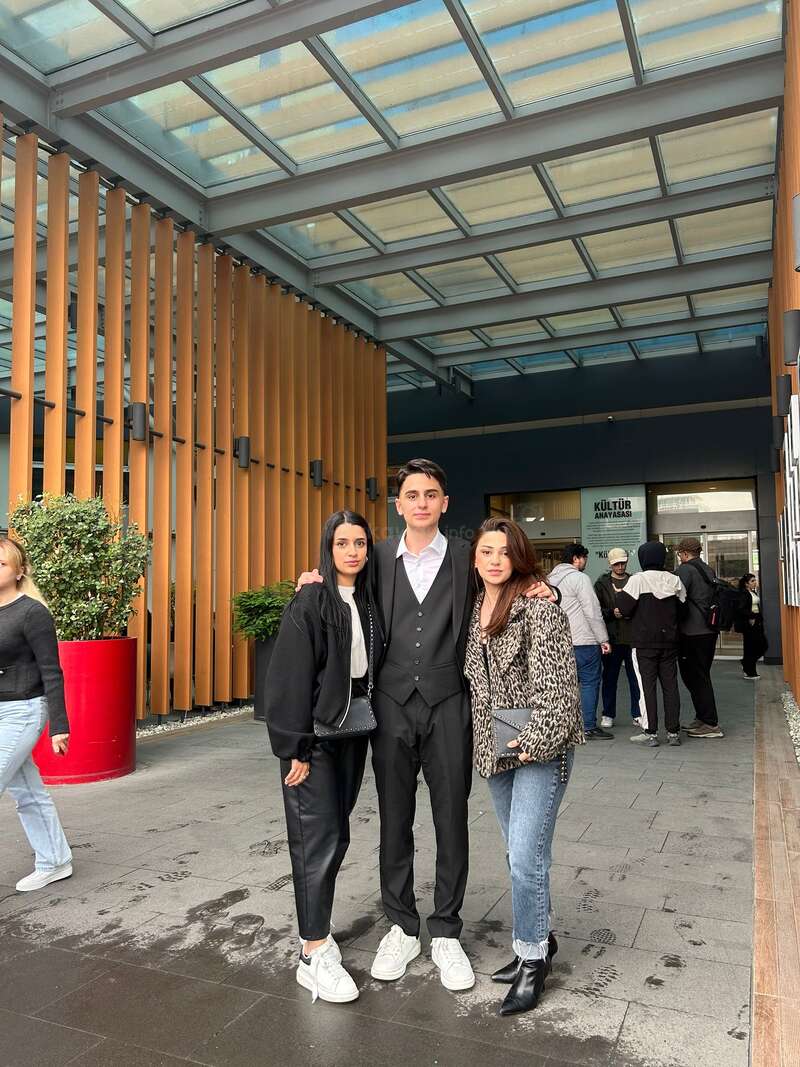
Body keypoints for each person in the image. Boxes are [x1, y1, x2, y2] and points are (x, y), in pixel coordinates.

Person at [297, 458, 557, 994]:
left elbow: (505, 573)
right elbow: (340, 580)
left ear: (444, 503)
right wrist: (312, 579)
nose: (421, 502)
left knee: (450, 817)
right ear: (398, 505)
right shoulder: (377, 558)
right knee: (394, 816)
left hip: (449, 703)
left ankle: (445, 929)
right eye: (411, 494)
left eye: (430, 493)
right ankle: (400, 924)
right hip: (389, 704)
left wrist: (539, 586)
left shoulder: (467, 557)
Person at [265, 510, 385, 1004]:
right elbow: (288, 676)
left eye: (359, 543)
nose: (352, 551)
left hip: (353, 730)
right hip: (313, 738)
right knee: (316, 839)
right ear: (327, 548)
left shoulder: (371, 601)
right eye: (342, 543)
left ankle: (318, 930)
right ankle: (312, 952)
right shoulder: (312, 599)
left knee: (336, 834)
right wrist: (294, 746)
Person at [464, 518, 583, 1016]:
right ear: (475, 558)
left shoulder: (539, 607)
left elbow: (559, 686)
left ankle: (532, 959)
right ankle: (541, 937)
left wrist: (533, 741)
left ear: (519, 558)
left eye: (504, 552)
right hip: (496, 746)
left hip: (540, 745)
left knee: (525, 856)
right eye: (486, 551)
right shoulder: (476, 607)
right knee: (521, 853)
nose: (495, 560)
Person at [0, 537, 72, 892]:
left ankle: (54, 861)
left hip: (24, 709)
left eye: (1, 564)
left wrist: (59, 725)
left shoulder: (32, 612)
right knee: (26, 790)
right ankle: (55, 861)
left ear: (19, 571)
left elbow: (51, 670)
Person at [615, 541, 686, 748]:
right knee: (671, 686)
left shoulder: (638, 580)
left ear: (643, 558)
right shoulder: (675, 580)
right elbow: (683, 611)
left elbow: (624, 609)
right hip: (670, 643)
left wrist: (618, 594)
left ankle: (651, 732)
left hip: (644, 643)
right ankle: (673, 732)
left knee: (647, 688)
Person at [548, 544, 612, 739]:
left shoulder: (549, 579)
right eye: (584, 558)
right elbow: (592, 611)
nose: (585, 562)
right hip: (583, 641)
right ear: (576, 559)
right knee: (589, 683)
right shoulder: (580, 578)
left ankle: (561, 726)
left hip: (557, 642)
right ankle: (588, 726)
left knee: (561, 685)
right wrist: (603, 639)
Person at [675, 537, 724, 739]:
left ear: (685, 554)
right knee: (701, 674)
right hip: (708, 631)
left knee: (696, 677)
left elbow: (676, 594)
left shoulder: (686, 570)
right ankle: (702, 718)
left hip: (692, 632)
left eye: (679, 554)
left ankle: (710, 723)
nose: (679, 557)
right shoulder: (707, 569)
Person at [594, 548, 642, 728]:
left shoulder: (634, 580)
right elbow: (596, 610)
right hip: (611, 637)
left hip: (632, 637)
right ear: (610, 564)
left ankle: (637, 713)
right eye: (616, 563)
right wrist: (611, 613)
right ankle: (608, 713)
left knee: (635, 677)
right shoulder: (602, 583)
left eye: (623, 562)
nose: (620, 566)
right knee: (609, 677)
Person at [736, 573, 768, 680]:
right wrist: (752, 616)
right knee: (751, 648)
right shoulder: (744, 594)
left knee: (762, 645)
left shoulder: (752, 592)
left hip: (757, 622)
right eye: (752, 581)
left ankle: (746, 664)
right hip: (750, 624)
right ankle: (750, 671)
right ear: (746, 584)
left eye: (755, 580)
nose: (755, 582)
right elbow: (741, 609)